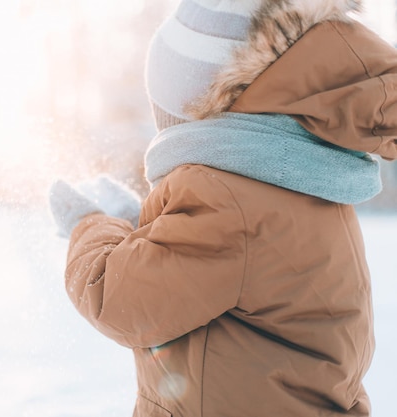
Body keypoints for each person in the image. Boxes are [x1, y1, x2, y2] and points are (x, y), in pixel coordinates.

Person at [49, 0, 397, 415]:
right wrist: (136, 228)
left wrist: (88, 224)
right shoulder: (296, 180)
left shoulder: (224, 198)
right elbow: (227, 266)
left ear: (204, 111)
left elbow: (119, 299)